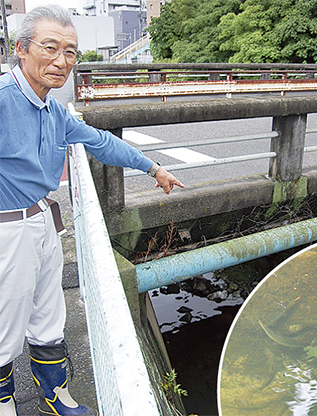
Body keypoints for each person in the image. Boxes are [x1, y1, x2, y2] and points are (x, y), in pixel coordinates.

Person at [0, 5, 184, 416]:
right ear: (21, 49)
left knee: (49, 313)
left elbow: (102, 142)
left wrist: (153, 167)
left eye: (70, 51)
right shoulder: (3, 101)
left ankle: (55, 395)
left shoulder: (54, 109)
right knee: (4, 325)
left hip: (44, 223)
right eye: (50, 47)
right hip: (7, 230)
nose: (61, 60)